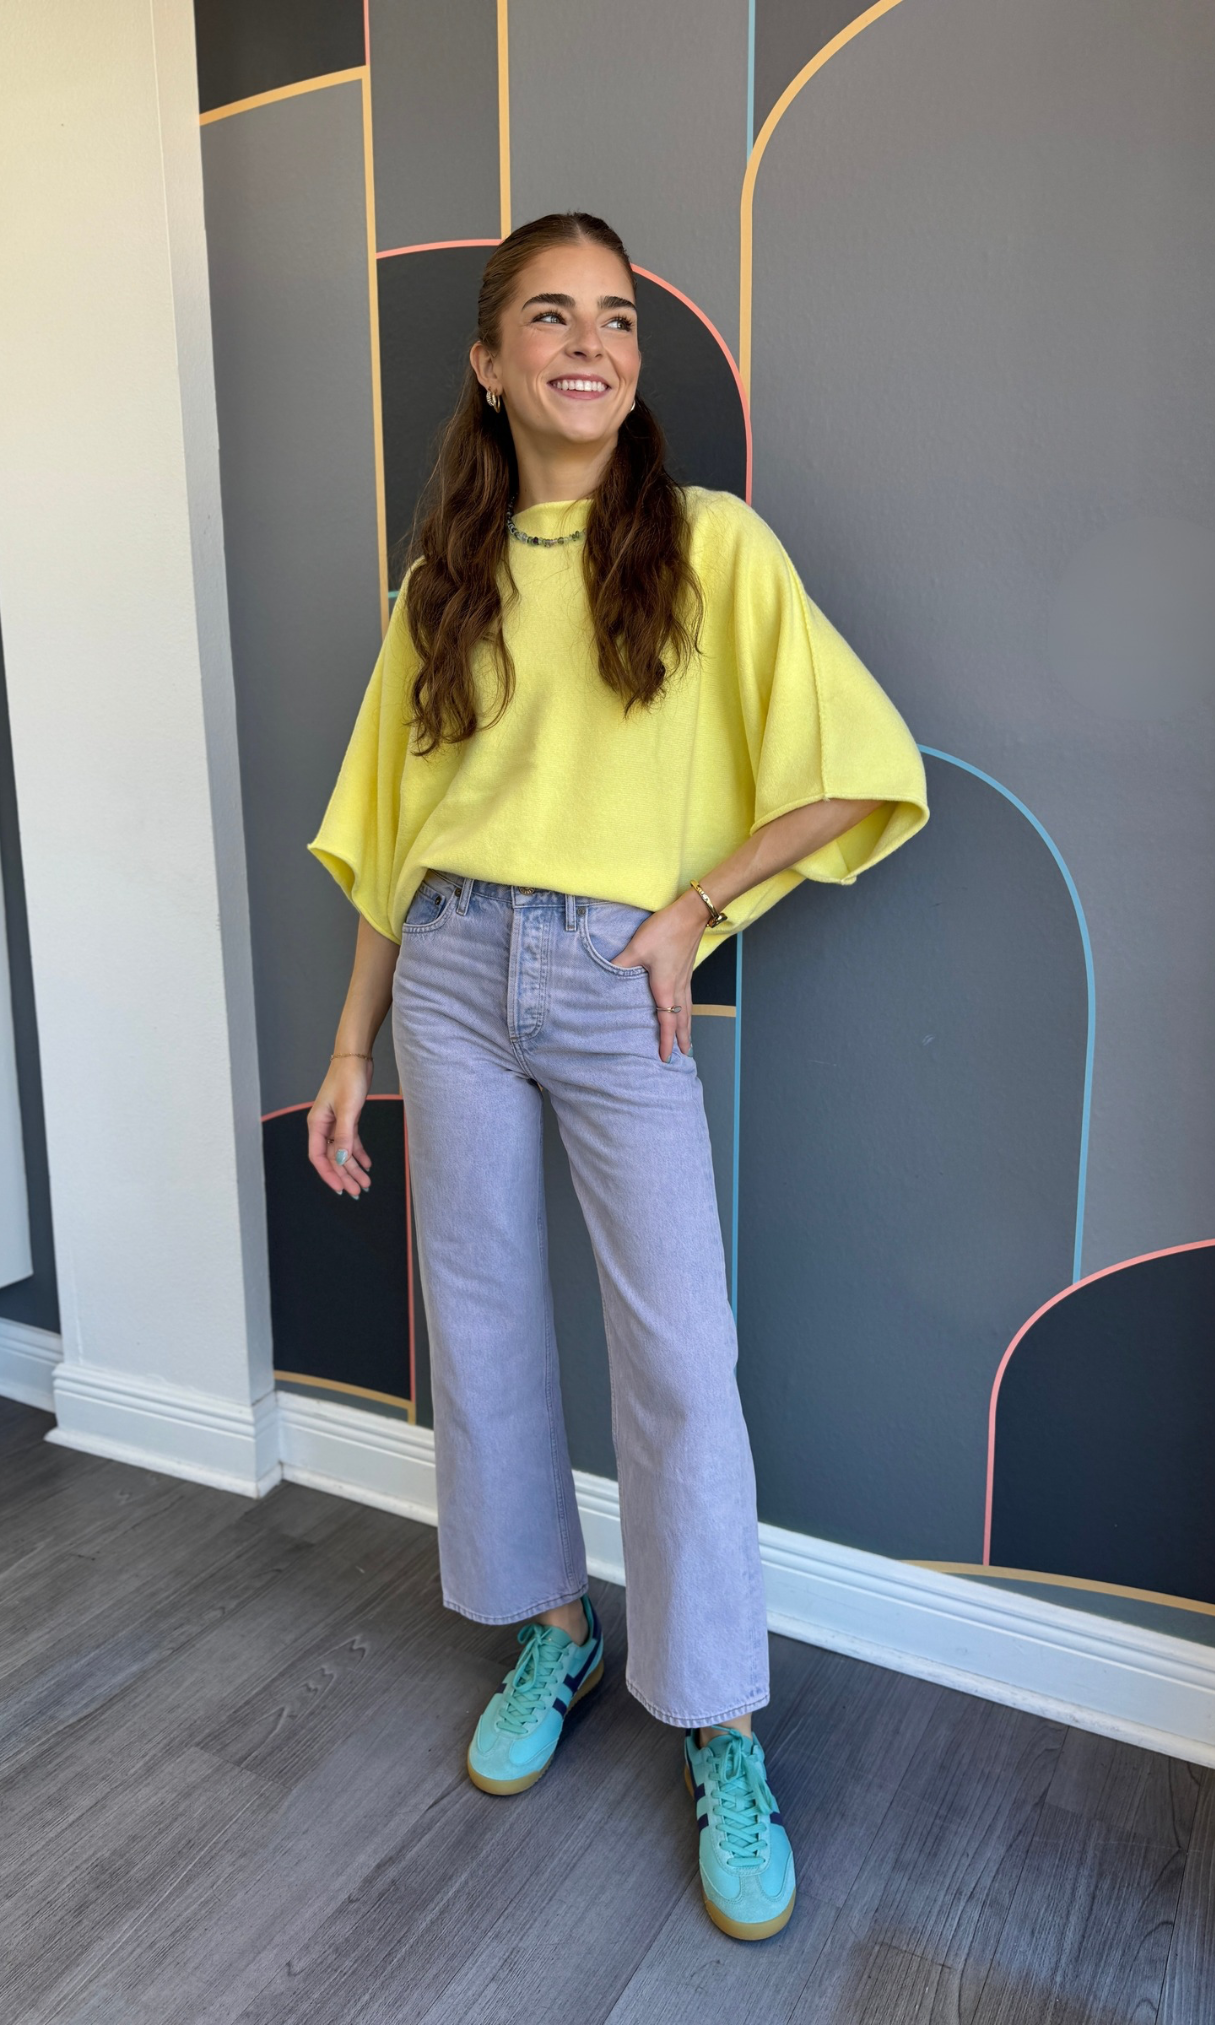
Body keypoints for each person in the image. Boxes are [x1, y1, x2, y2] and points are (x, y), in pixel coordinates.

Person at [305, 211, 928, 1942]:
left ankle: (719, 1724)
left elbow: (854, 761)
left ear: (633, 367)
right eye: (549, 318)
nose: (589, 344)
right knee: (484, 1326)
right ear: (488, 362)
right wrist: (349, 1046)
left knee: (676, 1360)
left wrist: (691, 912)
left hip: (608, 976)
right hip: (447, 971)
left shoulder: (709, 544)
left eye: (616, 321)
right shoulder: (436, 582)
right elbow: (389, 840)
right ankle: (554, 1635)